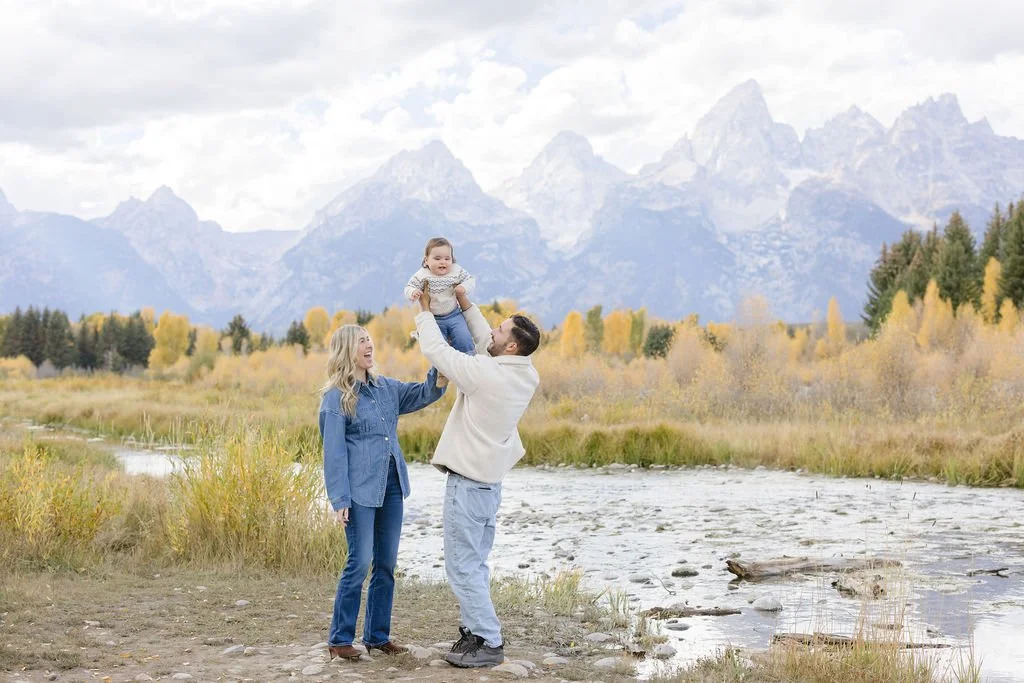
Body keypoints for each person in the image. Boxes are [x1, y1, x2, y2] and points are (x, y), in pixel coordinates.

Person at [413, 284, 541, 668]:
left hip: (468, 487)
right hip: (489, 487)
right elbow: (487, 340)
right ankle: (473, 632)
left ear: (512, 347)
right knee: (476, 563)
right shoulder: (526, 374)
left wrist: (423, 312)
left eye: (501, 331)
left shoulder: (485, 374)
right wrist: (466, 304)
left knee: (462, 566)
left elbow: (437, 352)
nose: (494, 333)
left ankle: (488, 640)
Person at [318, 324, 447, 660]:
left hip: (392, 487)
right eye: (361, 341)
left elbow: (425, 392)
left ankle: (377, 636)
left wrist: (441, 357)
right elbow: (334, 453)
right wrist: (339, 499)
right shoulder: (335, 398)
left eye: (370, 339)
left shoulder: (386, 388)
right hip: (358, 493)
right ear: (347, 349)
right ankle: (340, 639)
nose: (369, 345)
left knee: (386, 563)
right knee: (359, 563)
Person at [404, 237, 476, 354]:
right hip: (434, 319)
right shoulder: (422, 274)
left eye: (447, 258)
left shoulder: (456, 271)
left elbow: (470, 280)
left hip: (454, 315)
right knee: (438, 346)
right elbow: (409, 286)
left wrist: (463, 288)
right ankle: (438, 370)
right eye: (437, 258)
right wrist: (413, 293)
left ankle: (469, 359)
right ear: (426, 260)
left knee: (464, 338)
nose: (443, 262)